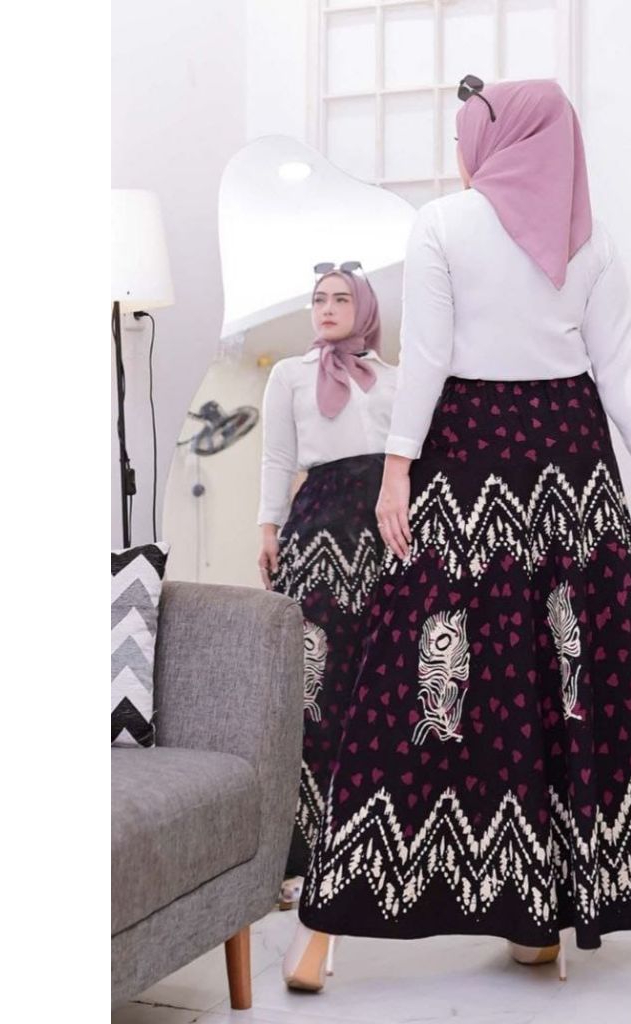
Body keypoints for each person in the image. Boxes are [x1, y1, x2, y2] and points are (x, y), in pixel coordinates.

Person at [282, 76, 631, 991]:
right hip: (569, 460)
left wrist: (397, 467)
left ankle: (334, 928)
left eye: (465, 137)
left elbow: (429, 358)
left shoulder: (443, 225)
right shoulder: (588, 235)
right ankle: (537, 917)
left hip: (469, 451)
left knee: (413, 674)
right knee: (561, 678)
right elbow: (621, 368)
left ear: (495, 141)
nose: (459, 154)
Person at [257, 262, 398, 910]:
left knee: (380, 688)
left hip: (385, 534)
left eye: (342, 298)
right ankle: (301, 859)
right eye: (319, 298)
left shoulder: (395, 379)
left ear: (364, 308)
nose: (328, 308)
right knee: (313, 688)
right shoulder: (290, 375)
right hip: (316, 533)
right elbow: (277, 458)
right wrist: (268, 529)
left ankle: (373, 847)